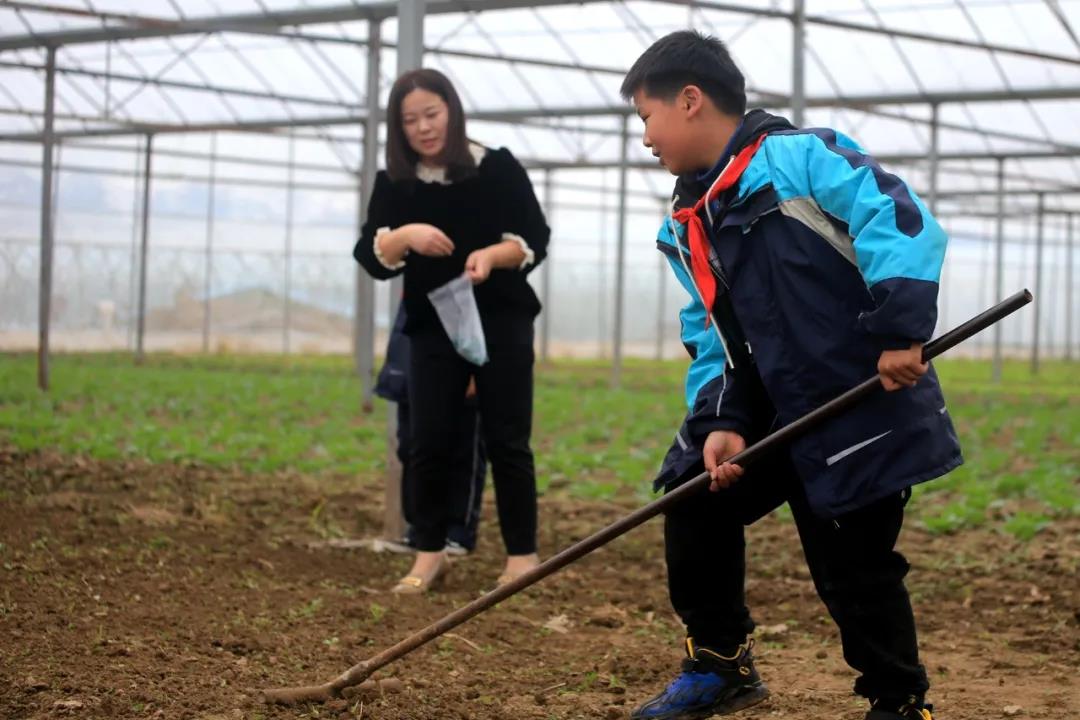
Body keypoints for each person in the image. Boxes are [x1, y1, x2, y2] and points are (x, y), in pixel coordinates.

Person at [620, 31, 961, 720]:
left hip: (863, 401)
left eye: (645, 117)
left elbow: (901, 220)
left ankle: (898, 699)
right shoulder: (692, 222)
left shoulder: (801, 158)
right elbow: (711, 336)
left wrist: (901, 330)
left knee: (853, 563)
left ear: (690, 101)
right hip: (777, 411)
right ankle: (720, 664)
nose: (646, 138)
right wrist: (721, 424)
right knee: (692, 498)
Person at [353, 68, 550, 594]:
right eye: (410, 120)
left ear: (452, 111)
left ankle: (521, 556)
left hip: (502, 321)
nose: (423, 128)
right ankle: (429, 553)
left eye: (432, 114)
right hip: (432, 326)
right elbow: (371, 254)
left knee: (509, 439)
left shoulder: (496, 167)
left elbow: (535, 237)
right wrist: (406, 236)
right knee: (428, 440)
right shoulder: (396, 183)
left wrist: (491, 255)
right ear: (399, 128)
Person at [374, 301, 487, 557]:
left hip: (461, 344)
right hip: (413, 352)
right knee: (411, 446)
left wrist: (474, 368)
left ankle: (458, 532)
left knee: (463, 446)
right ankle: (421, 530)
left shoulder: (470, 274)